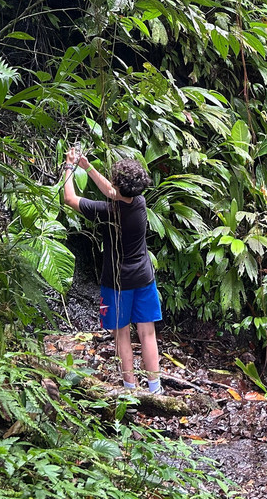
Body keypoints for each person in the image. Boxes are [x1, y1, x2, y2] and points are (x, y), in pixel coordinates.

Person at [61, 147, 163, 394]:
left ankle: (130, 389)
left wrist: (68, 168)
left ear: (119, 186)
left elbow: (69, 198)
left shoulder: (107, 211)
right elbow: (112, 191)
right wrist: (88, 167)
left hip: (117, 282)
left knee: (121, 334)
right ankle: (155, 389)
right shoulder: (139, 202)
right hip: (143, 277)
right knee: (147, 333)